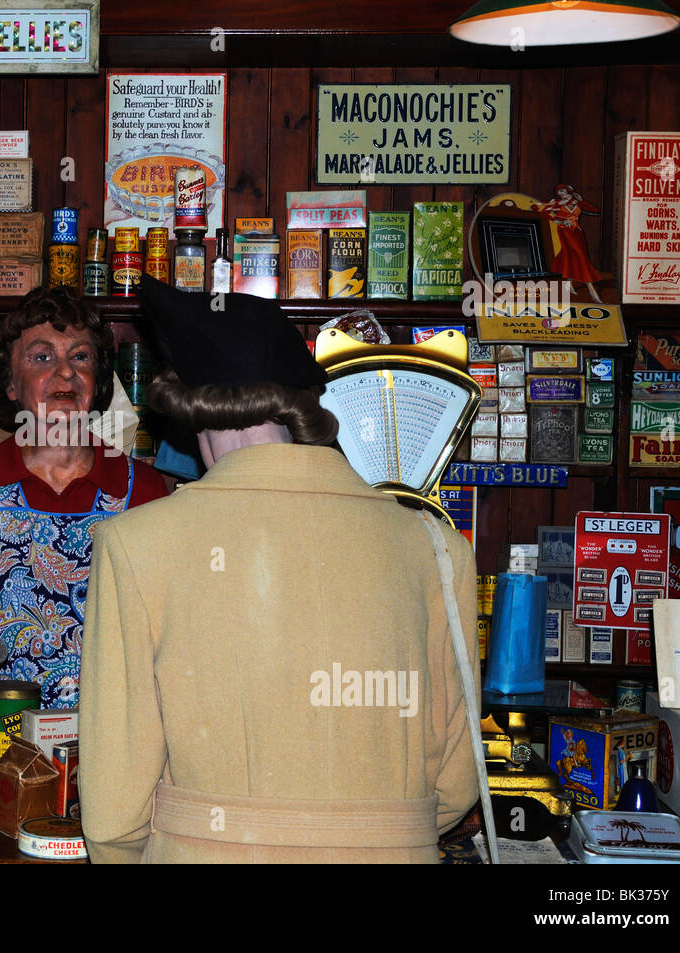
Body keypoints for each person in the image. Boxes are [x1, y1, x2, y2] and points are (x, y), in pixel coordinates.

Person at [78, 276, 479, 863]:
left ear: (190, 409)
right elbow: (455, 784)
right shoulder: (437, 548)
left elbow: (115, 811)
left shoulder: (134, 545)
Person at [0, 286, 169, 711]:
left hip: (108, 738)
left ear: (97, 379)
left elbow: (162, 635)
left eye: (80, 357)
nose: (66, 373)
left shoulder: (142, 491)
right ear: (10, 383)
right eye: (42, 358)